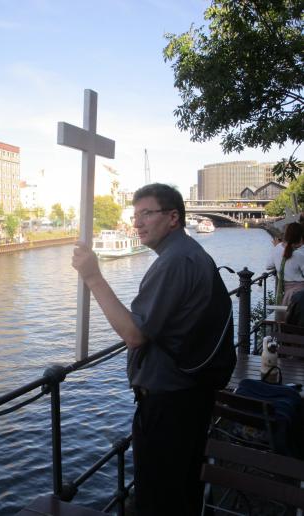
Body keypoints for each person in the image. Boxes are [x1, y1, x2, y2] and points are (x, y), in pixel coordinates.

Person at [72, 183, 232, 515]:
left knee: (159, 500)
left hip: (170, 404)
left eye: (147, 213)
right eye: (135, 215)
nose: (137, 223)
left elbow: (134, 334)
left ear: (173, 217)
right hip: (188, 395)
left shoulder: (176, 261)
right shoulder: (189, 254)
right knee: (181, 491)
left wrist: (92, 277)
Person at [266, 222, 304, 306]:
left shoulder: (277, 248)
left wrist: (275, 248)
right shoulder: (300, 254)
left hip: (286, 293)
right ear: (300, 237)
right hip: (300, 295)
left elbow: (268, 266)